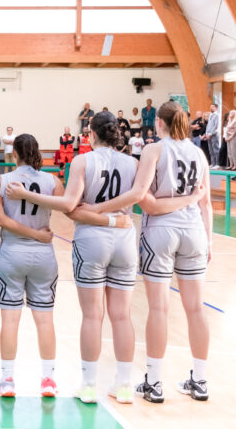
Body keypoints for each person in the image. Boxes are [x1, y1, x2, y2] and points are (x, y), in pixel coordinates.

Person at [6, 112, 172, 405]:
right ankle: (123, 385)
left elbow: (69, 205)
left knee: (93, 316)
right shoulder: (133, 163)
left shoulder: (82, 161)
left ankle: (88, 384)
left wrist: (27, 196)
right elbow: (146, 201)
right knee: (122, 315)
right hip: (124, 238)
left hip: (91, 240)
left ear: (91, 134)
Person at [85, 101, 212, 404]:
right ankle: (201, 380)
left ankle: (154, 381)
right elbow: (204, 203)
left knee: (159, 309)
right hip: (195, 231)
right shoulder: (199, 152)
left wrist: (98, 209)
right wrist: (208, 240)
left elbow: (144, 199)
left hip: (161, 231)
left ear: (158, 124)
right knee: (196, 309)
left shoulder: (155, 150)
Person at [0, 134, 58, 397]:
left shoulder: (1, 181)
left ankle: (7, 380)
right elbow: (70, 204)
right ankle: (48, 380)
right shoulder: (52, 180)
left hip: (12, 252)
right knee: (45, 320)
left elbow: (1, 220)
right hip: (44, 255)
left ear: (13, 154)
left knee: (10, 320)